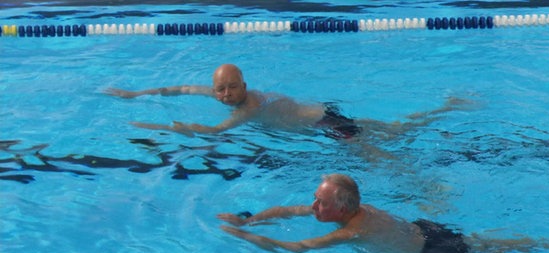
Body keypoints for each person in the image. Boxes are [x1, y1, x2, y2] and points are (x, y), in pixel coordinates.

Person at [217, 173, 549, 253]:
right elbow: (288, 210)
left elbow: (296, 248)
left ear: (339, 209)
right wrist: (249, 218)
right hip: (430, 229)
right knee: (490, 243)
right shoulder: (355, 208)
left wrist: (243, 236)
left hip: (433, 248)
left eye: (320, 202)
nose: (312, 206)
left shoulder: (351, 231)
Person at [104, 63, 467, 143]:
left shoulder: (248, 107)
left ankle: (446, 111)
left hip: (326, 124)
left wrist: (160, 127)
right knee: (391, 130)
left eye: (232, 88)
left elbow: (214, 131)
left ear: (244, 86)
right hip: (321, 113)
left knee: (387, 143)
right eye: (220, 90)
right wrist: (136, 95)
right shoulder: (215, 91)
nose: (226, 95)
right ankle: (446, 109)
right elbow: (180, 89)